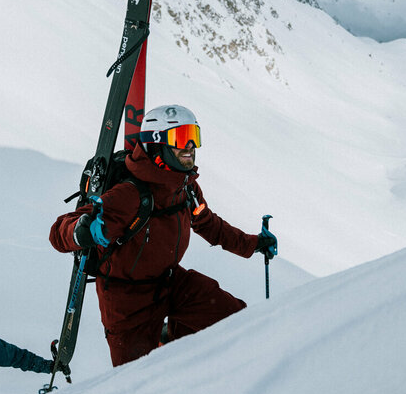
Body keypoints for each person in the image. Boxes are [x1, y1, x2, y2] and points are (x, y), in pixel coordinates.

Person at [49, 104, 277, 366]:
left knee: (234, 320)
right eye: (181, 138)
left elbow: (208, 223)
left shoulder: (185, 187)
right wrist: (81, 231)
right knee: (136, 381)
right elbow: (58, 231)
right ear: (156, 144)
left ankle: (171, 341)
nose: (190, 146)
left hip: (170, 283)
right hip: (127, 304)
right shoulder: (130, 194)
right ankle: (164, 352)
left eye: (194, 136)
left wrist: (253, 244)